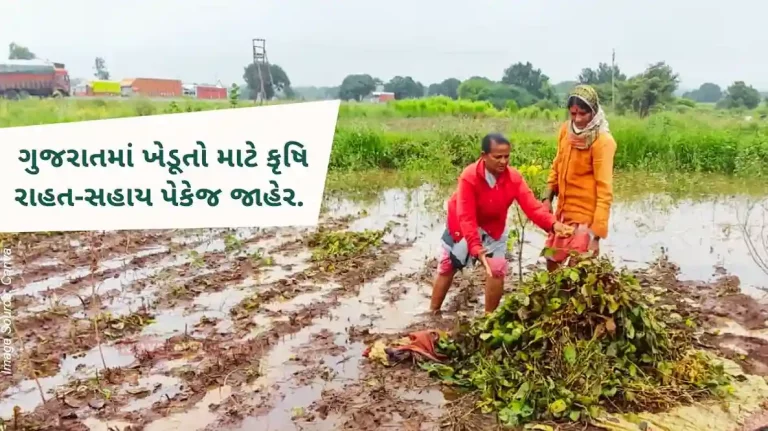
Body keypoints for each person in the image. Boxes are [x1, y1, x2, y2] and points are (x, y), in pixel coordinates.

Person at [429, 133, 574, 315]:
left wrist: (553, 225)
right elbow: (466, 217)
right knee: (449, 265)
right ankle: (433, 311)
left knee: (496, 270)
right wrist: (475, 247)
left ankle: (488, 319)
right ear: (484, 156)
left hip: (494, 227)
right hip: (462, 225)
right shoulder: (469, 177)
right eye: (498, 157)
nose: (503, 161)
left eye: (507, 156)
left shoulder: (513, 178)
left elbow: (532, 207)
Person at [541, 84, 617, 271]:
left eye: (583, 113)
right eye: (573, 113)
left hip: (586, 217)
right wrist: (546, 198)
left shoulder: (602, 141)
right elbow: (556, 166)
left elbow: (604, 190)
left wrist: (596, 236)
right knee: (551, 259)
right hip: (563, 212)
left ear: (593, 111)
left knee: (578, 267)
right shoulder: (566, 131)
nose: (578, 119)